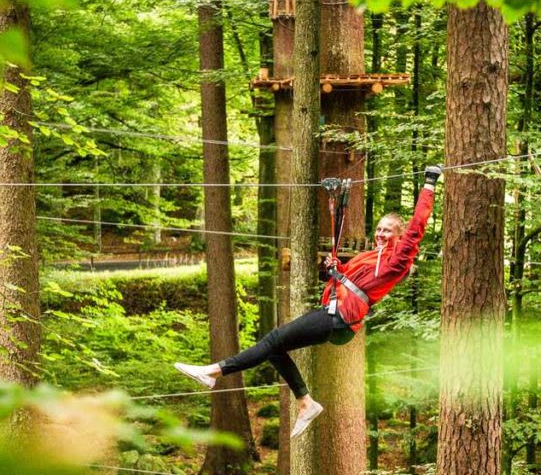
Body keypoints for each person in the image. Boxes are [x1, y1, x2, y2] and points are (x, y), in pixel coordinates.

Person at [175, 168, 440, 439]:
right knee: (274, 348)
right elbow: (347, 277)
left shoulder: (398, 260)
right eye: (380, 229)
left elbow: (417, 226)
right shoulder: (370, 256)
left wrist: (429, 184)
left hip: (340, 319)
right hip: (334, 314)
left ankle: (214, 371)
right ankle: (305, 403)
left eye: (389, 231)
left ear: (399, 236)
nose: (382, 234)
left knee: (274, 339)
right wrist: (334, 269)